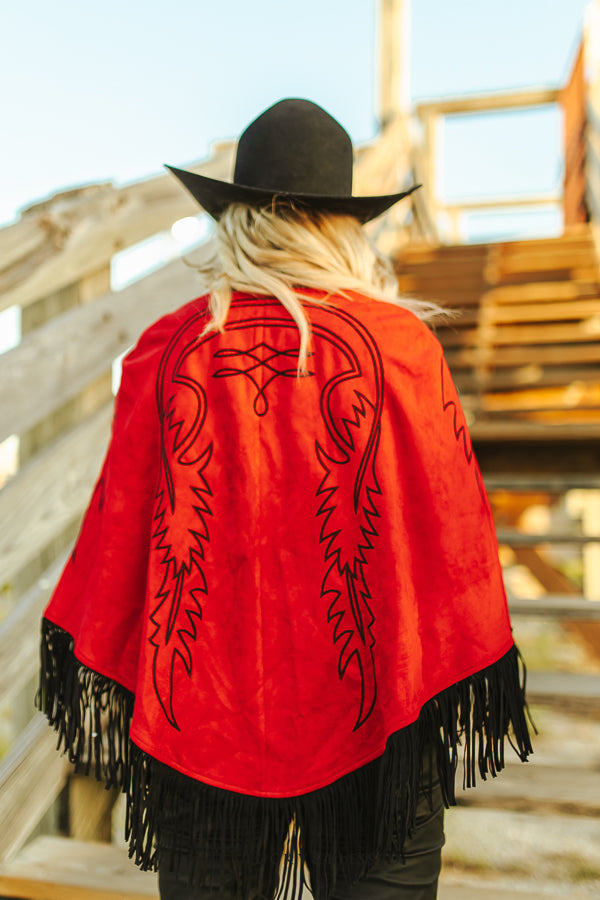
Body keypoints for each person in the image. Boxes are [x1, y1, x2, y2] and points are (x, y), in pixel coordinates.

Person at [39, 99, 533, 900]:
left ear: (234, 218)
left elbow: (121, 539)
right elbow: (452, 546)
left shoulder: (169, 354)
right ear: (344, 226)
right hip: (382, 718)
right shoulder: (401, 348)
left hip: (202, 722)